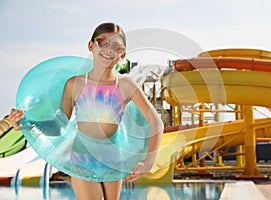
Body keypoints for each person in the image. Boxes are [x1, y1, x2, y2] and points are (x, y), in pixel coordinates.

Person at [8, 22, 164, 200]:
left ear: (123, 55)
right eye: (103, 42)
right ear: (91, 46)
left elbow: (156, 122)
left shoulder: (126, 85)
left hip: (112, 157)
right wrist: (27, 124)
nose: (109, 50)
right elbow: (59, 127)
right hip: (83, 156)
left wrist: (149, 162)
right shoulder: (75, 84)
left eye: (116, 47)